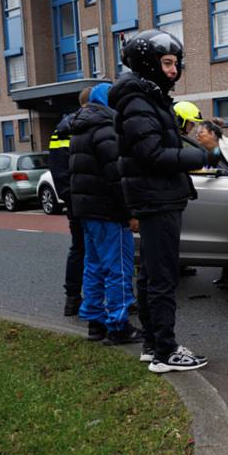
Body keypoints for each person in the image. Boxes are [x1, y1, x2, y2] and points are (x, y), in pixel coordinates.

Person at [112, 30, 209, 373]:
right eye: (166, 62)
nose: (173, 70)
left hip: (157, 196)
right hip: (158, 196)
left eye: (176, 63)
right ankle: (166, 351)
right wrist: (199, 157)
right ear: (147, 63)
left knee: (152, 273)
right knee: (162, 277)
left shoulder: (146, 98)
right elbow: (151, 154)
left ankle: (152, 343)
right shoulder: (139, 101)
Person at [69, 83, 142, 345]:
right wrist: (130, 212)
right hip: (108, 212)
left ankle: (95, 323)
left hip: (87, 212)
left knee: (94, 268)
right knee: (119, 270)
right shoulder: (106, 127)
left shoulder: (80, 127)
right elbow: (116, 176)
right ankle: (118, 326)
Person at [51, 87, 90, 316]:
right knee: (102, 249)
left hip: (74, 199)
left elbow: (57, 168)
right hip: (94, 200)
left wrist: (68, 196)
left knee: (78, 248)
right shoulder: (94, 124)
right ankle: (115, 300)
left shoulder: (61, 129)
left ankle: (72, 299)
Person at [196, 118, 228, 289]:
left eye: (200, 132)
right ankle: (227, 274)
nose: (197, 135)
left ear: (212, 134)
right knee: (226, 233)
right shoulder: (204, 152)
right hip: (221, 196)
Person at [172, 100, 205, 277]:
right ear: (180, 121)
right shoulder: (173, 139)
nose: (192, 127)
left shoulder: (178, 138)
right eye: (190, 123)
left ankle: (178, 264)